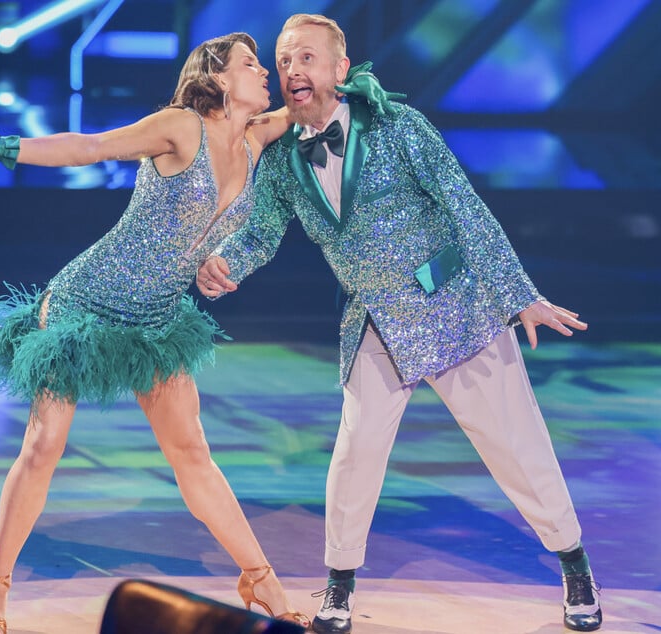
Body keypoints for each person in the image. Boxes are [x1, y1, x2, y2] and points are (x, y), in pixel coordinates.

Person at [196, 14, 603, 634]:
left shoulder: (398, 126)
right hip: (375, 321)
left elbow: (465, 205)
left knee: (516, 445)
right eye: (283, 62)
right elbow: (262, 231)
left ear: (339, 68)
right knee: (355, 455)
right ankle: (338, 587)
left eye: (306, 58)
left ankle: (575, 566)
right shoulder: (280, 160)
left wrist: (517, 293)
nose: (292, 71)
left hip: (455, 307)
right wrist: (228, 262)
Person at [0, 32, 326, 634]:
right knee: (44, 447)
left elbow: (307, 103)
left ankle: (260, 580)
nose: (266, 74)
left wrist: (349, 80)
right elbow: (91, 146)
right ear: (219, 78)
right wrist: (2, 146)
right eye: (252, 65)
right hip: (85, 305)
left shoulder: (255, 139)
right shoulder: (181, 126)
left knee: (193, 452)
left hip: (156, 318)